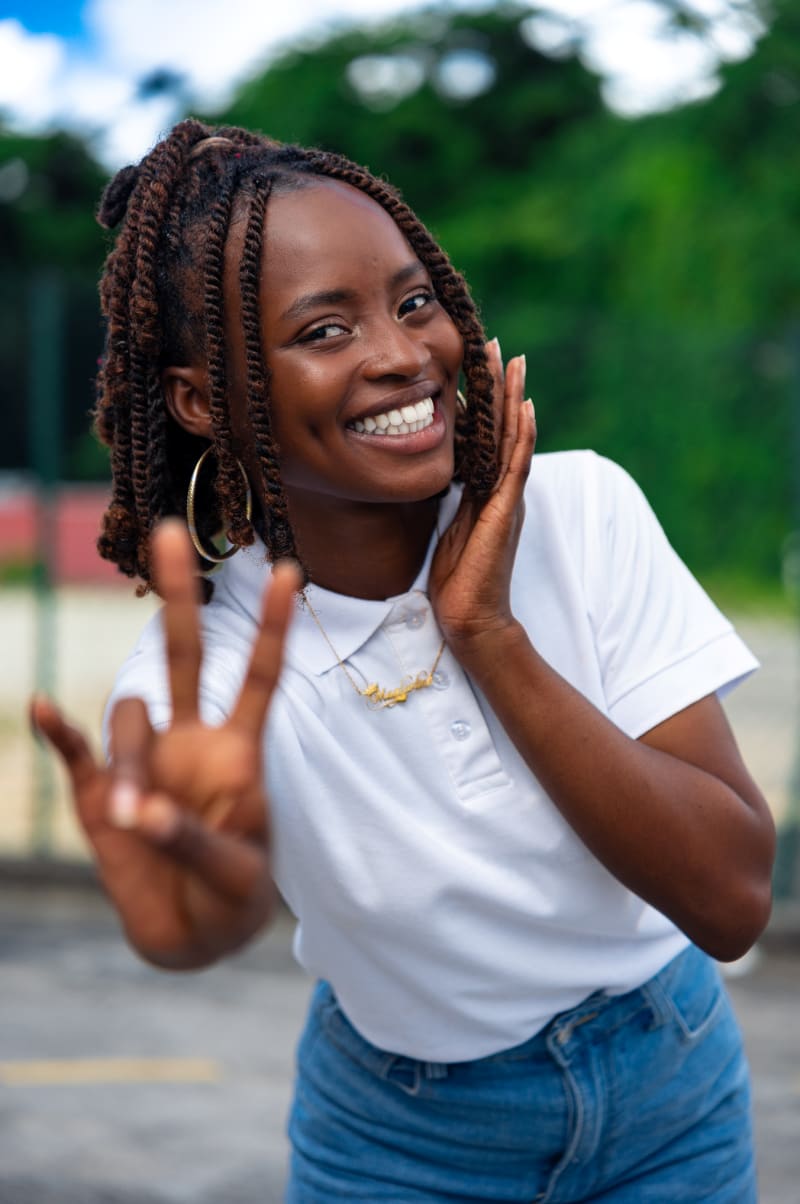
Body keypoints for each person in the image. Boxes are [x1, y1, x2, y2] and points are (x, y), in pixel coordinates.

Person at [32, 118, 775, 1202]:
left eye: (412, 299)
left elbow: (730, 900)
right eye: (323, 328)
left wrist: (487, 633)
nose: (399, 353)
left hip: (671, 1091)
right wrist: (205, 907)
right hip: (402, 1143)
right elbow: (211, 906)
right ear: (203, 400)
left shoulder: (578, 512)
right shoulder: (210, 678)